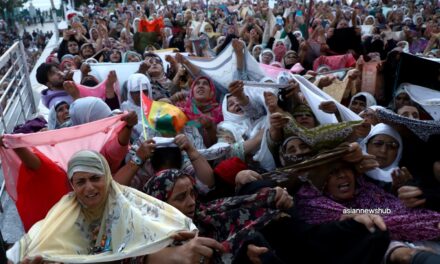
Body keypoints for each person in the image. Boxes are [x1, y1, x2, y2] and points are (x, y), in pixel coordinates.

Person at [6, 150, 196, 263]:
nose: (89, 188)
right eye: (81, 182)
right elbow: (38, 241)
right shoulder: (64, 211)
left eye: (95, 178)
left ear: (107, 177)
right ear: (73, 185)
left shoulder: (130, 202)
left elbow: (157, 231)